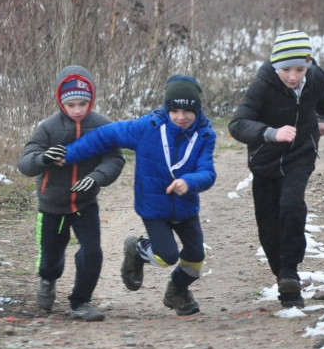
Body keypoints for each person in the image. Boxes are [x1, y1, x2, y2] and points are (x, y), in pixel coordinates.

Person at [51, 75, 217, 316]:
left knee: (195, 259)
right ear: (167, 108)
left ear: (197, 110)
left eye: (187, 111)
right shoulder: (147, 128)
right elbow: (104, 136)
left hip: (186, 205)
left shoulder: (204, 135)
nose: (181, 117)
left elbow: (208, 172)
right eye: (175, 110)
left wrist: (189, 182)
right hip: (153, 207)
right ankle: (136, 249)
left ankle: (177, 291)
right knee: (166, 256)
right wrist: (69, 154)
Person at [229, 29, 324, 309]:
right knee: (267, 221)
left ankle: (290, 272)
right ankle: (281, 274)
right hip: (265, 159)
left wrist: (323, 118)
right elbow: (237, 124)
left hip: (301, 153)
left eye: (300, 69)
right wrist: (270, 133)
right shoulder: (263, 85)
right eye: (286, 70)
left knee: (292, 205)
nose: (293, 77)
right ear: (276, 66)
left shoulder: (315, 77)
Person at [17, 66, 125, 321]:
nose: (78, 109)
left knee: (92, 253)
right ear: (60, 102)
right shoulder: (48, 128)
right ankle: (47, 279)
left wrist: (97, 177)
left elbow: (114, 159)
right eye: (71, 104)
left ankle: (80, 302)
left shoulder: (102, 126)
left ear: (92, 100)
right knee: (50, 259)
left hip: (85, 204)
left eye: (83, 103)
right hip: (52, 206)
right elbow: (25, 163)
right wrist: (43, 158)